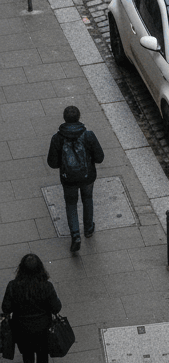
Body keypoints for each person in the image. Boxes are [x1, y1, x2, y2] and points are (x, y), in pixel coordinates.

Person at [47, 105, 105, 254]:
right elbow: (100, 158)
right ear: (79, 117)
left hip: (68, 179)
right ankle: (88, 229)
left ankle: (75, 235)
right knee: (88, 199)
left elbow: (52, 163)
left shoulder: (57, 138)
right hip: (87, 176)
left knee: (71, 204)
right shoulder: (88, 135)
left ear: (64, 119)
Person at [2, 254, 62, 363]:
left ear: (21, 269)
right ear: (40, 269)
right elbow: (56, 307)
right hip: (43, 328)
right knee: (42, 354)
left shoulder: (13, 286)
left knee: (27, 353)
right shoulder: (46, 286)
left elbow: (6, 308)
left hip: (21, 328)